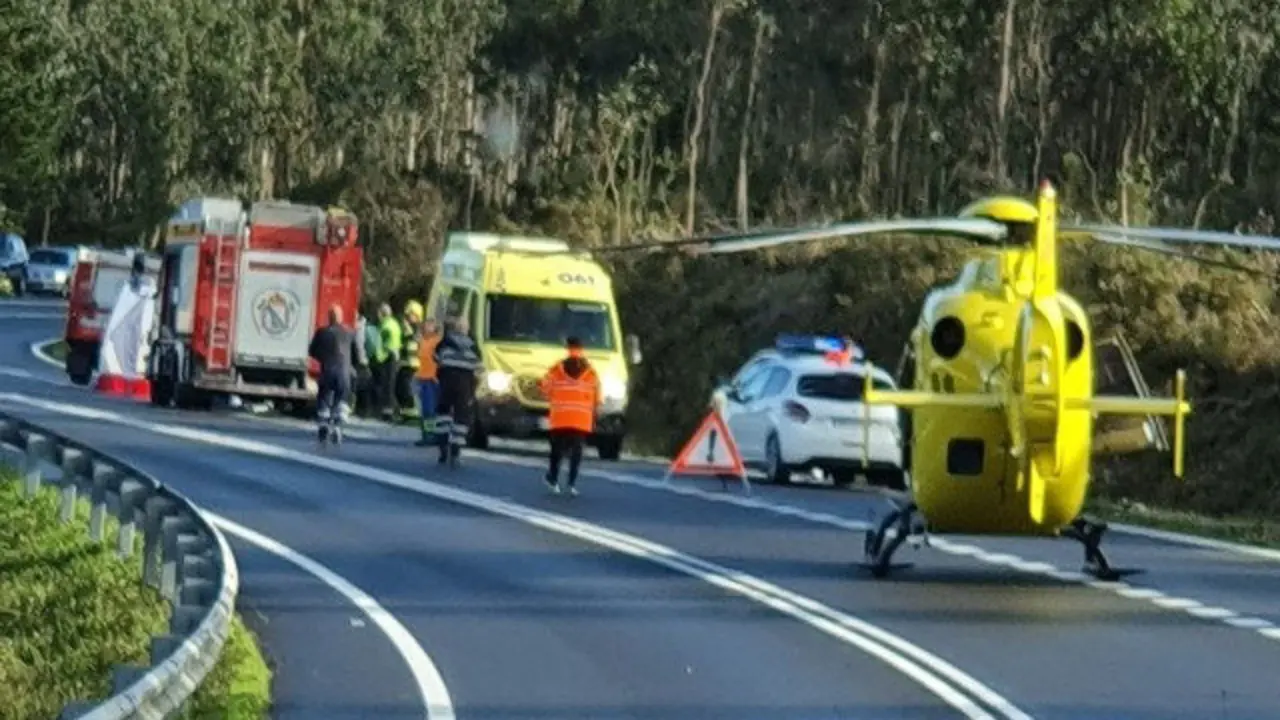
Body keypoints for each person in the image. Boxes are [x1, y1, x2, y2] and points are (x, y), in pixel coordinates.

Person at [538, 337, 601, 496]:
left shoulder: (556, 369)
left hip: (560, 418)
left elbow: (545, 389)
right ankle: (571, 483)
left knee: (557, 450)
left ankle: (553, 478)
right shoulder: (591, 373)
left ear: (568, 348)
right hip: (580, 420)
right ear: (582, 349)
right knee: (576, 452)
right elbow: (598, 398)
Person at [307, 305, 365, 444]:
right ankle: (338, 427)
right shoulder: (350, 333)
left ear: (329, 317)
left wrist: (323, 358)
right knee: (342, 399)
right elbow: (357, 354)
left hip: (327, 371)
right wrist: (354, 366)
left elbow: (312, 351)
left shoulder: (322, 332)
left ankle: (323, 425)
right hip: (344, 373)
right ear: (341, 317)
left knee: (324, 398)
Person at [433, 316, 482, 464]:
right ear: (467, 329)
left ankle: (442, 446)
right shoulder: (474, 347)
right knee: (461, 418)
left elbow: (436, 358)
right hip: (465, 386)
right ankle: (455, 450)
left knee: (443, 413)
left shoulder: (444, 343)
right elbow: (479, 369)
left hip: (446, 383)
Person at [413, 317, 442, 447]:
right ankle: (426, 434)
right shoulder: (423, 340)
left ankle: (431, 435)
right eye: (425, 325)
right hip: (422, 378)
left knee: (430, 410)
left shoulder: (437, 341)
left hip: (433, 379)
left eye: (429, 326)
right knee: (424, 410)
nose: (425, 328)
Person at [375, 303, 402, 420]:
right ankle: (388, 411)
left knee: (388, 385)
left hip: (388, 356)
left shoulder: (385, 325)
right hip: (394, 355)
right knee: (390, 385)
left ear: (382, 313)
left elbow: (380, 341)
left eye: (379, 313)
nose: (378, 316)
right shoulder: (394, 323)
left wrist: (378, 357)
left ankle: (387, 412)